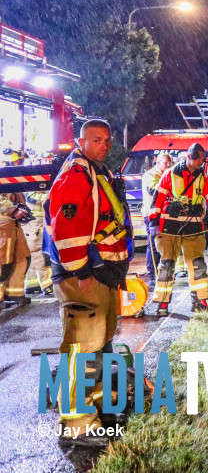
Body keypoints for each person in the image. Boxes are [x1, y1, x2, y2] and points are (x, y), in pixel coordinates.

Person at [46, 119, 130, 446]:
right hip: (82, 275)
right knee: (82, 348)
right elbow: (66, 229)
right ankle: (76, 425)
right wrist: (80, 272)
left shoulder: (95, 173)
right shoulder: (76, 176)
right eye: (96, 139)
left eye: (107, 140)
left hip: (100, 273)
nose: (104, 145)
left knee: (97, 342)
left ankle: (93, 406)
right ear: (81, 141)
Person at [149, 143, 208, 316]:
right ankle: (162, 305)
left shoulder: (203, 178)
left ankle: (200, 302)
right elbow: (157, 200)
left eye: (203, 159)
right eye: (201, 159)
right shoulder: (170, 175)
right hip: (169, 227)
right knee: (167, 266)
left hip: (193, 226)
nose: (203, 162)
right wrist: (153, 222)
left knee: (197, 265)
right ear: (191, 156)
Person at [140, 152, 174, 287]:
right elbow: (152, 190)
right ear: (157, 162)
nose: (168, 165)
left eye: (169, 163)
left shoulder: (167, 175)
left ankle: (162, 273)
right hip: (152, 215)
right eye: (165, 163)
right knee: (153, 246)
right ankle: (152, 275)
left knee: (164, 245)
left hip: (164, 215)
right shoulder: (150, 175)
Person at [0, 191, 33, 309]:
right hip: (3, 225)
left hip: (14, 224)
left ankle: (14, 293)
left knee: (23, 258)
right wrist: (13, 209)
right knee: (3, 264)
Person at [22, 190, 53, 296]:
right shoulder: (30, 181)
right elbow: (30, 196)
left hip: (34, 222)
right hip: (35, 222)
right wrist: (51, 195)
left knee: (33, 253)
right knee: (39, 253)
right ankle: (47, 284)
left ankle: (32, 284)